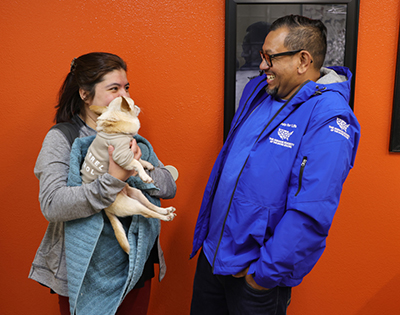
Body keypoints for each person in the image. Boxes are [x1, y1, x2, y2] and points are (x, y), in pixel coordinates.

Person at [190, 14, 360, 315]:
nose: (262, 65)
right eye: (262, 55)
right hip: (213, 258)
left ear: (303, 60)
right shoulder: (259, 91)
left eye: (270, 57)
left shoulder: (330, 118)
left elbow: (311, 214)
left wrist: (262, 277)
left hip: (253, 278)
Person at [29, 52, 177, 315]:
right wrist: (111, 180)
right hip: (82, 270)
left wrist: (131, 171)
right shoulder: (62, 138)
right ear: (85, 95)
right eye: (114, 89)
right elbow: (52, 204)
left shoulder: (131, 136)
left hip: (135, 262)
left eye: (126, 87)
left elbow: (167, 186)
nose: (126, 96)